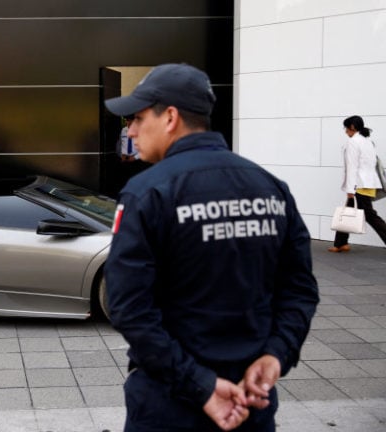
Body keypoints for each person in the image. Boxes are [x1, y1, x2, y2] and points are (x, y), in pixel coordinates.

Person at [104, 64, 319, 431]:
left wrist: (200, 386)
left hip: (169, 406)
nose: (132, 130)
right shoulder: (271, 187)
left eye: (138, 117)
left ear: (170, 117)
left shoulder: (147, 192)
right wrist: (276, 355)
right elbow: (299, 290)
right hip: (252, 402)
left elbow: (128, 308)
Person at [328, 115, 386, 252]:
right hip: (367, 184)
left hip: (359, 185)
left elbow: (352, 167)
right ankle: (340, 243)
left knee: (371, 216)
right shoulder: (367, 141)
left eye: (346, 128)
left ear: (352, 127)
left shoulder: (353, 142)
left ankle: (340, 244)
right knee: (348, 211)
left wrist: (350, 189)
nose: (345, 131)